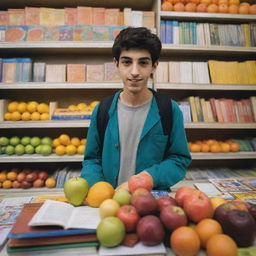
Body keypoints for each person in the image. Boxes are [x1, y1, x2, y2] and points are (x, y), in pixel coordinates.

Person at [80, 27, 191, 190]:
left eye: (143, 63)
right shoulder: (102, 110)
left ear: (154, 66)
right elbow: (91, 160)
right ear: (116, 64)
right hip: (108, 203)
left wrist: (146, 178)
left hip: (150, 202)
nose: (134, 72)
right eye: (126, 62)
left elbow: (179, 159)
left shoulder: (169, 109)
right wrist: (100, 188)